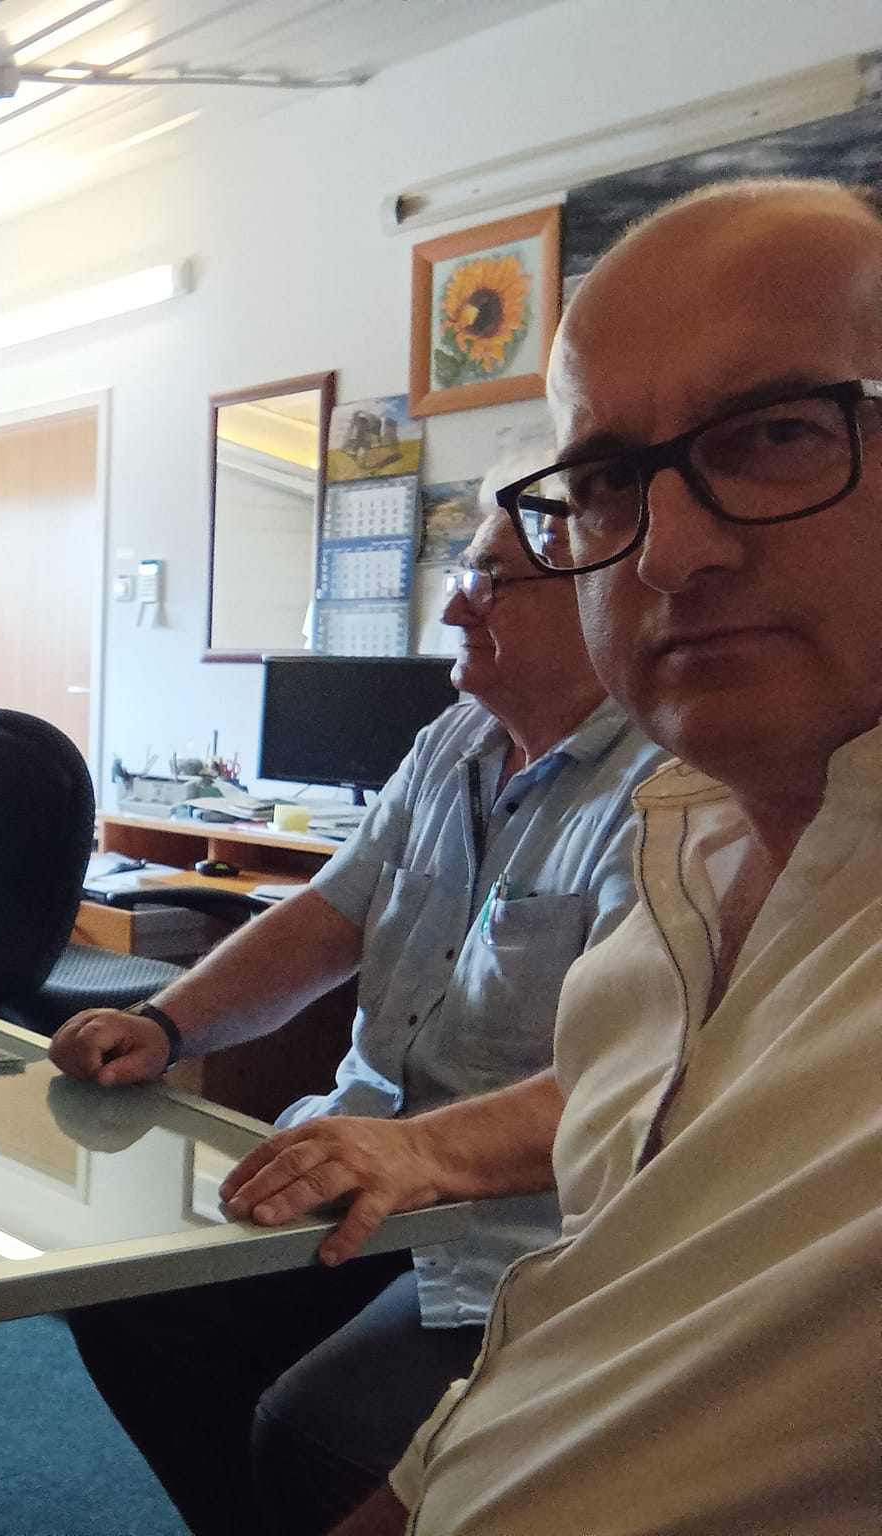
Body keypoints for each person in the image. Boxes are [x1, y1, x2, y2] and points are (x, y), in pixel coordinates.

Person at [325, 179, 882, 1535]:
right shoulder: (666, 911)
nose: (672, 552)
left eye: (776, 434)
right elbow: (565, 1351)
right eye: (607, 482)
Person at [50, 503, 667, 1534]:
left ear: (599, 595)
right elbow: (332, 914)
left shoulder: (667, 789)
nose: (454, 609)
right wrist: (164, 1024)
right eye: (461, 576)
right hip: (357, 1164)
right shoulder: (454, 740)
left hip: (516, 1231)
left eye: (489, 580)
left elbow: (636, 1076)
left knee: (309, 1428)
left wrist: (417, 1152)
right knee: (126, 1303)